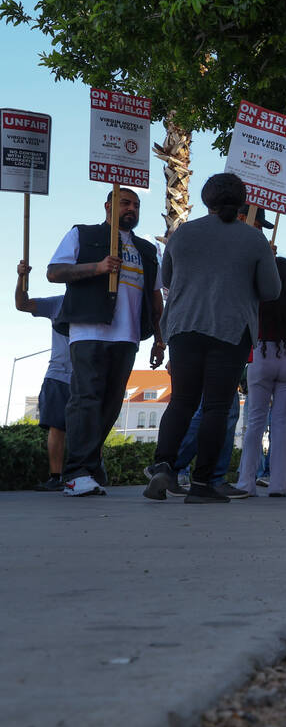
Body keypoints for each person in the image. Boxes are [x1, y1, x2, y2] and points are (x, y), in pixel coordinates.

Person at [144, 175, 280, 503]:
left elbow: (168, 279)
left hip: (183, 326)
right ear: (242, 200)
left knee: (182, 401)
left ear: (206, 200)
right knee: (217, 407)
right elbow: (271, 290)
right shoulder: (253, 239)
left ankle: (163, 465)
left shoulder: (183, 234)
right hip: (230, 330)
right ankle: (203, 483)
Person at [47, 187, 164, 497]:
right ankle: (77, 473)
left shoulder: (147, 250)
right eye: (125, 202)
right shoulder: (82, 235)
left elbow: (155, 297)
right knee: (86, 398)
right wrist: (97, 268)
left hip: (128, 335)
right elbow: (54, 272)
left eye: (136, 205)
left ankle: (90, 462)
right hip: (89, 330)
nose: (132, 209)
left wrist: (159, 339)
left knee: (111, 404)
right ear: (108, 206)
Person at [236, 256, 286, 497]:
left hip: (262, 354)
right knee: (280, 423)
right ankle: (280, 484)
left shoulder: (258, 298)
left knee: (256, 422)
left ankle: (246, 483)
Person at [14, 260, 72, 491]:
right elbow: (22, 304)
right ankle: (56, 477)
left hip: (85, 376)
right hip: (58, 374)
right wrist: (21, 278)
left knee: (88, 429)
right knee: (56, 427)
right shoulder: (57, 304)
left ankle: (89, 472)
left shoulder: (98, 305)